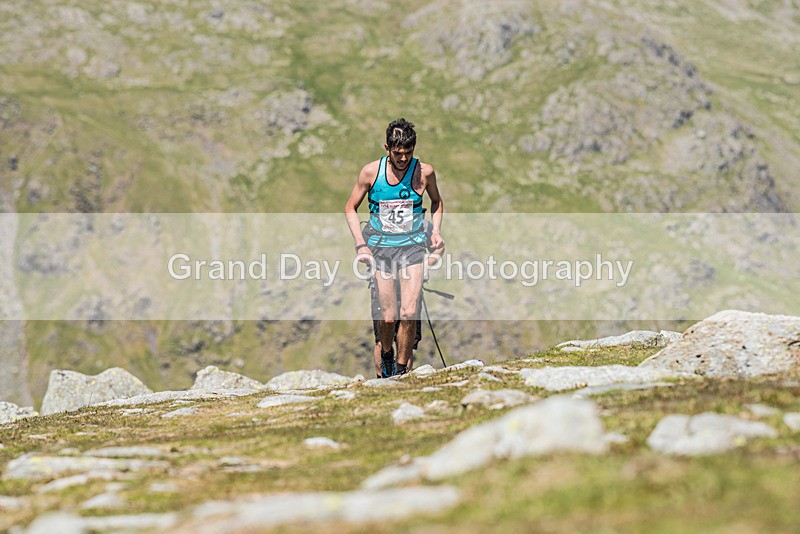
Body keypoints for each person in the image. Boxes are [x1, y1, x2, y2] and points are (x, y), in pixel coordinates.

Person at [345, 118, 444, 377]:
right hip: (381, 251)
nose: (403, 159)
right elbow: (350, 207)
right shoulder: (371, 172)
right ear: (387, 148)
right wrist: (360, 245)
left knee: (409, 312)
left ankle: (401, 372)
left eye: (408, 153)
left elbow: (436, 202)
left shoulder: (425, 172)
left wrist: (436, 231)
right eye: (397, 153)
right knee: (389, 317)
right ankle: (387, 353)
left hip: (412, 249)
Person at [366, 211, 444, 378]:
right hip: (382, 289)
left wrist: (424, 265)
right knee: (382, 338)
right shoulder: (375, 225)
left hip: (410, 287)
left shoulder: (424, 226)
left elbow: (439, 248)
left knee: (408, 338)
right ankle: (382, 378)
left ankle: (402, 375)